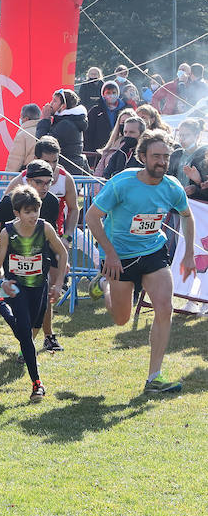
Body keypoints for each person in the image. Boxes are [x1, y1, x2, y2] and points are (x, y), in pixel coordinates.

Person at [87, 131, 196, 394]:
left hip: (153, 252)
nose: (162, 161)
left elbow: (187, 216)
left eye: (166, 157)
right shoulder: (122, 183)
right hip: (119, 257)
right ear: (143, 157)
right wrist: (110, 254)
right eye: (156, 156)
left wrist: (189, 253)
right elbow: (92, 217)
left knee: (164, 307)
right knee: (121, 319)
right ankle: (104, 285)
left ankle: (154, 377)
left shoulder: (172, 187)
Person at [0, 184, 69, 399]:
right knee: (26, 335)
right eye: (27, 211)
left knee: (33, 328)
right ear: (17, 213)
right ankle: (37, 384)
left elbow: (63, 253)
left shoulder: (45, 228)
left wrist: (58, 285)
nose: (32, 215)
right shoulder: (8, 232)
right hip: (17, 287)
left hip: (39, 286)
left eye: (35, 210)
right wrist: (2, 280)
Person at [36, 89, 88, 174]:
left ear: (63, 106)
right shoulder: (67, 121)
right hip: (69, 169)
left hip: (66, 170)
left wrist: (45, 119)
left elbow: (42, 144)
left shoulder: (66, 124)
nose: (51, 103)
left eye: (55, 101)